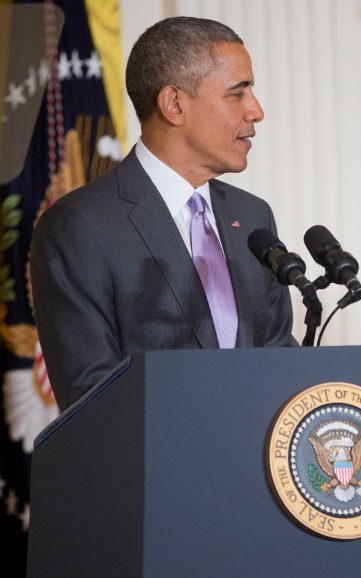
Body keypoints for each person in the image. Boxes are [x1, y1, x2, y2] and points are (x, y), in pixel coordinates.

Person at [30, 17, 295, 411]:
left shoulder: (252, 217)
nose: (256, 111)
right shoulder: (79, 227)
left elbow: (281, 362)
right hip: (151, 468)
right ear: (174, 104)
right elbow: (92, 397)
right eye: (237, 94)